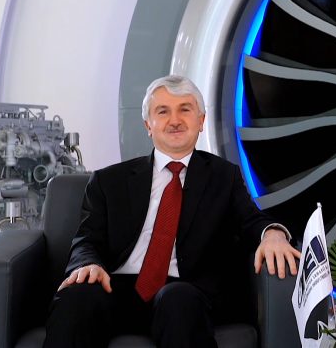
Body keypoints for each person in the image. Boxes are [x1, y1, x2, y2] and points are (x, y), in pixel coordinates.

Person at [43, 75, 301, 348]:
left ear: (201, 121)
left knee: (178, 301)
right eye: (163, 111)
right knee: (77, 297)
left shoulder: (224, 177)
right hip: (114, 287)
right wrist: (88, 264)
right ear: (148, 125)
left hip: (184, 292)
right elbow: (87, 239)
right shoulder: (109, 180)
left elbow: (251, 220)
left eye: (185, 110)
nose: (175, 120)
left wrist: (273, 234)